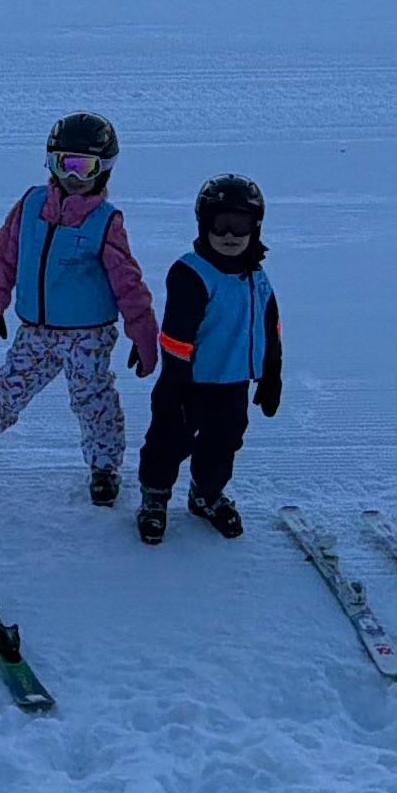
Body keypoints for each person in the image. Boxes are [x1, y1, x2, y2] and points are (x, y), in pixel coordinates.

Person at [0, 112, 161, 506]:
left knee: (93, 399)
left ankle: (105, 469)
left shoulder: (105, 223)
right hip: (36, 331)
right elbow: (5, 259)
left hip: (87, 335)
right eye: (64, 163)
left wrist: (143, 334)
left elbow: (128, 283)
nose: (73, 176)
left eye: (84, 167)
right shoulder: (30, 205)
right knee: (4, 387)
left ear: (104, 169)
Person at [137, 174, 283, 542]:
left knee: (224, 443)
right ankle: (155, 496)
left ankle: (207, 493)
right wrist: (176, 385)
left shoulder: (256, 276)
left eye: (240, 225)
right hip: (189, 384)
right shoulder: (192, 274)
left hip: (232, 382)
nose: (230, 235)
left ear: (255, 227)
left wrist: (271, 373)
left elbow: (269, 327)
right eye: (221, 224)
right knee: (168, 441)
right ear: (204, 224)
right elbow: (176, 336)